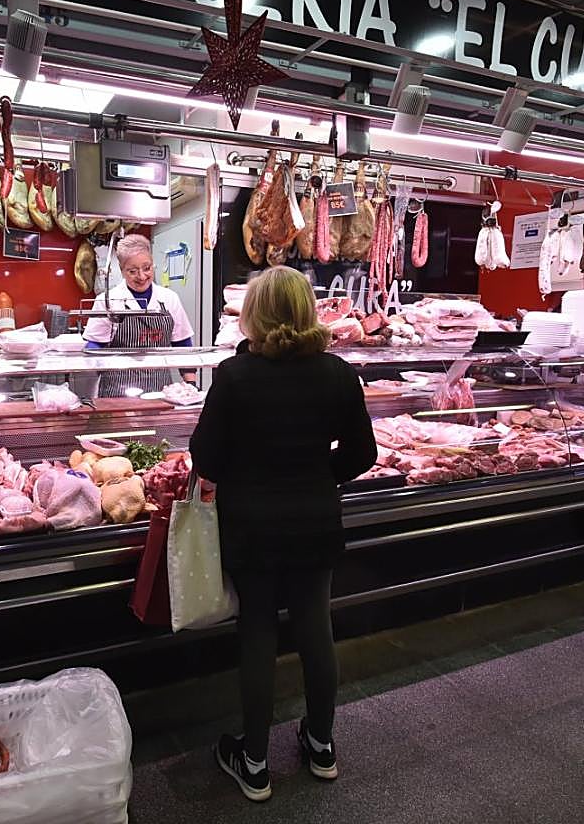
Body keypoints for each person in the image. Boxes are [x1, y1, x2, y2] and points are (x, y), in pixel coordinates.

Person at [189, 266, 376, 802]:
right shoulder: (338, 373)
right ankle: (320, 746)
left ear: (255, 313)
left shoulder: (235, 375)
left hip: (252, 525)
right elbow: (364, 454)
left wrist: (250, 476)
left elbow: (206, 457)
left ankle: (253, 762)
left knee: (258, 633)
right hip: (315, 520)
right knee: (317, 628)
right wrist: (317, 478)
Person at [83, 234, 197, 395]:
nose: (142, 276)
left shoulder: (169, 298)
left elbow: (183, 344)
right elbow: (95, 345)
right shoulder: (107, 301)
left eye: (147, 268)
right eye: (133, 271)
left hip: (161, 390)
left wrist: (191, 384)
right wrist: (91, 360)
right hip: (117, 391)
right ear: (122, 271)